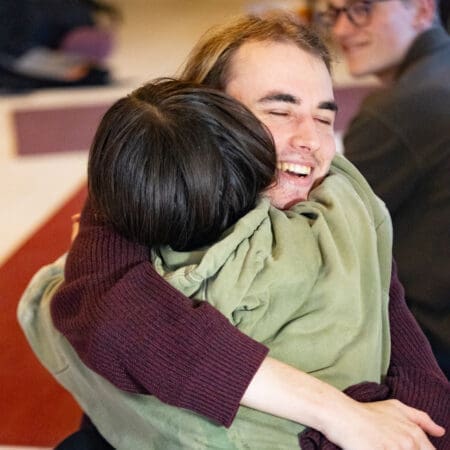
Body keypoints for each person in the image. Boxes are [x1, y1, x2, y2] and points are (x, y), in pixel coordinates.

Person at [19, 13, 449, 450]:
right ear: (208, 112)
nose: (311, 140)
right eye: (280, 111)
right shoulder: (156, 184)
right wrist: (339, 414)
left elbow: (405, 347)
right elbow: (112, 315)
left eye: (323, 118)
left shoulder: (345, 198)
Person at [317, 0, 450, 379]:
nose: (341, 30)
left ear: (423, 10)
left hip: (432, 356)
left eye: (361, 9)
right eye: (334, 13)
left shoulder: (401, 107)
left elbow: (322, 236)